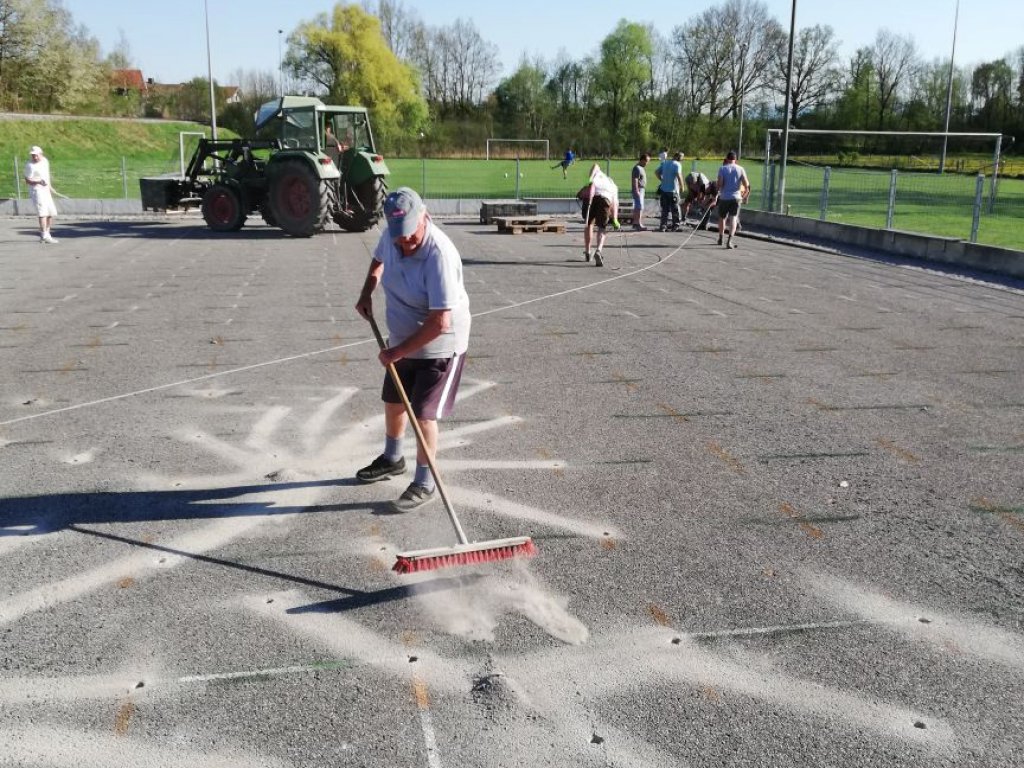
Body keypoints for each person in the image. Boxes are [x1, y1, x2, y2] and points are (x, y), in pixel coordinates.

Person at [354, 187, 471, 512]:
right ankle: (392, 459)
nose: (404, 244)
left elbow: (439, 322)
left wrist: (396, 352)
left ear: (425, 217)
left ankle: (424, 482)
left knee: (422, 414)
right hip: (402, 337)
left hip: (441, 345)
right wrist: (367, 292)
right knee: (393, 401)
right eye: (399, 238)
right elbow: (378, 260)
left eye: (410, 236)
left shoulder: (439, 255)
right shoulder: (393, 236)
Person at [578, 163, 620, 267]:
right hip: (605, 199)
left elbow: (595, 165)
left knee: (589, 224)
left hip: (591, 198)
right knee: (602, 227)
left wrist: (591, 179)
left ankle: (588, 252)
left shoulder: (598, 174)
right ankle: (598, 250)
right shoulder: (613, 187)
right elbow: (615, 203)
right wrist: (615, 219)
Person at [715, 151, 751, 249]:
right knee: (733, 218)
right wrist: (744, 196)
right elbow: (746, 185)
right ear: (736, 160)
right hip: (736, 197)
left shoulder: (722, 169)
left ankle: (720, 238)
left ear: (726, 159)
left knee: (722, 218)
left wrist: (717, 191)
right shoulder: (740, 169)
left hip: (724, 197)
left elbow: (720, 184)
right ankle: (729, 241)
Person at [23, 146, 58, 244]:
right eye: (33, 155)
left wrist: (50, 186)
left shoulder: (45, 161)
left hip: (46, 190)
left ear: (41, 154)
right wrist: (38, 182)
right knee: (43, 213)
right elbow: (27, 180)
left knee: (51, 213)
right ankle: (43, 235)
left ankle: (47, 234)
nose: (34, 157)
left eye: (36, 155)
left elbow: (46, 175)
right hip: (37, 191)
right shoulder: (29, 165)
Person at [655, 151, 684, 232]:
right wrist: (682, 187)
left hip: (664, 190)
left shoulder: (665, 163)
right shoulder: (677, 164)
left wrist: (662, 180)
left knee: (665, 209)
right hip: (673, 190)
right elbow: (679, 175)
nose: (682, 160)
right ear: (678, 158)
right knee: (675, 209)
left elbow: (656, 172)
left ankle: (663, 226)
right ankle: (676, 226)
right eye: (682, 158)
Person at [630, 153, 650, 230]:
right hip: (639, 189)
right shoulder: (637, 168)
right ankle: (638, 223)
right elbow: (635, 180)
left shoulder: (641, 168)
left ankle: (635, 223)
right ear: (642, 160)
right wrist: (636, 190)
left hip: (641, 189)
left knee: (638, 207)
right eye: (646, 161)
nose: (647, 163)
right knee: (639, 207)